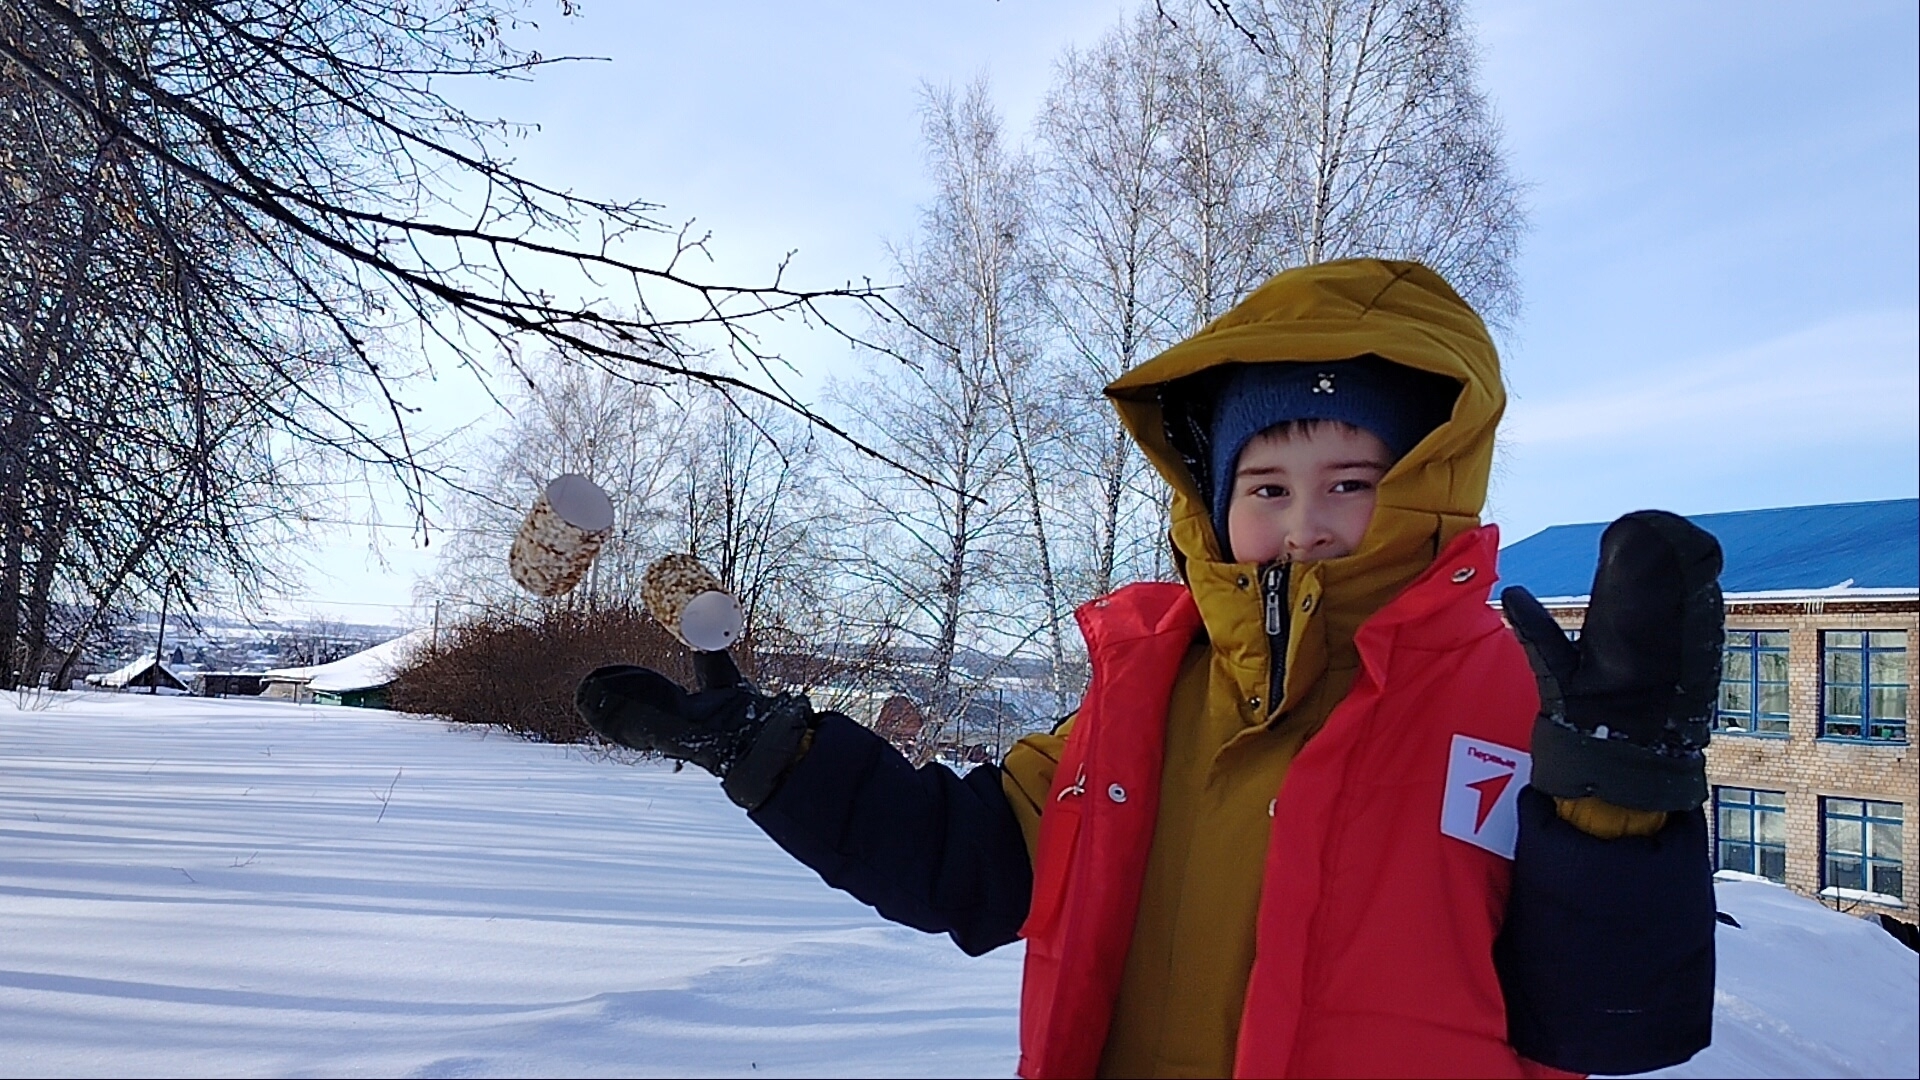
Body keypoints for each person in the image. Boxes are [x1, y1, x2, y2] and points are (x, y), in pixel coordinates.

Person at [574, 259, 1721, 1079]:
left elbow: (1609, 1022)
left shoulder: (1514, 702)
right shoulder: (1143, 690)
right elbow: (967, 863)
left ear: (1433, 483)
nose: (1305, 522)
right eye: (1267, 486)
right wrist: (775, 756)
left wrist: (1620, 807)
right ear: (1213, 497)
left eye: (1353, 482)